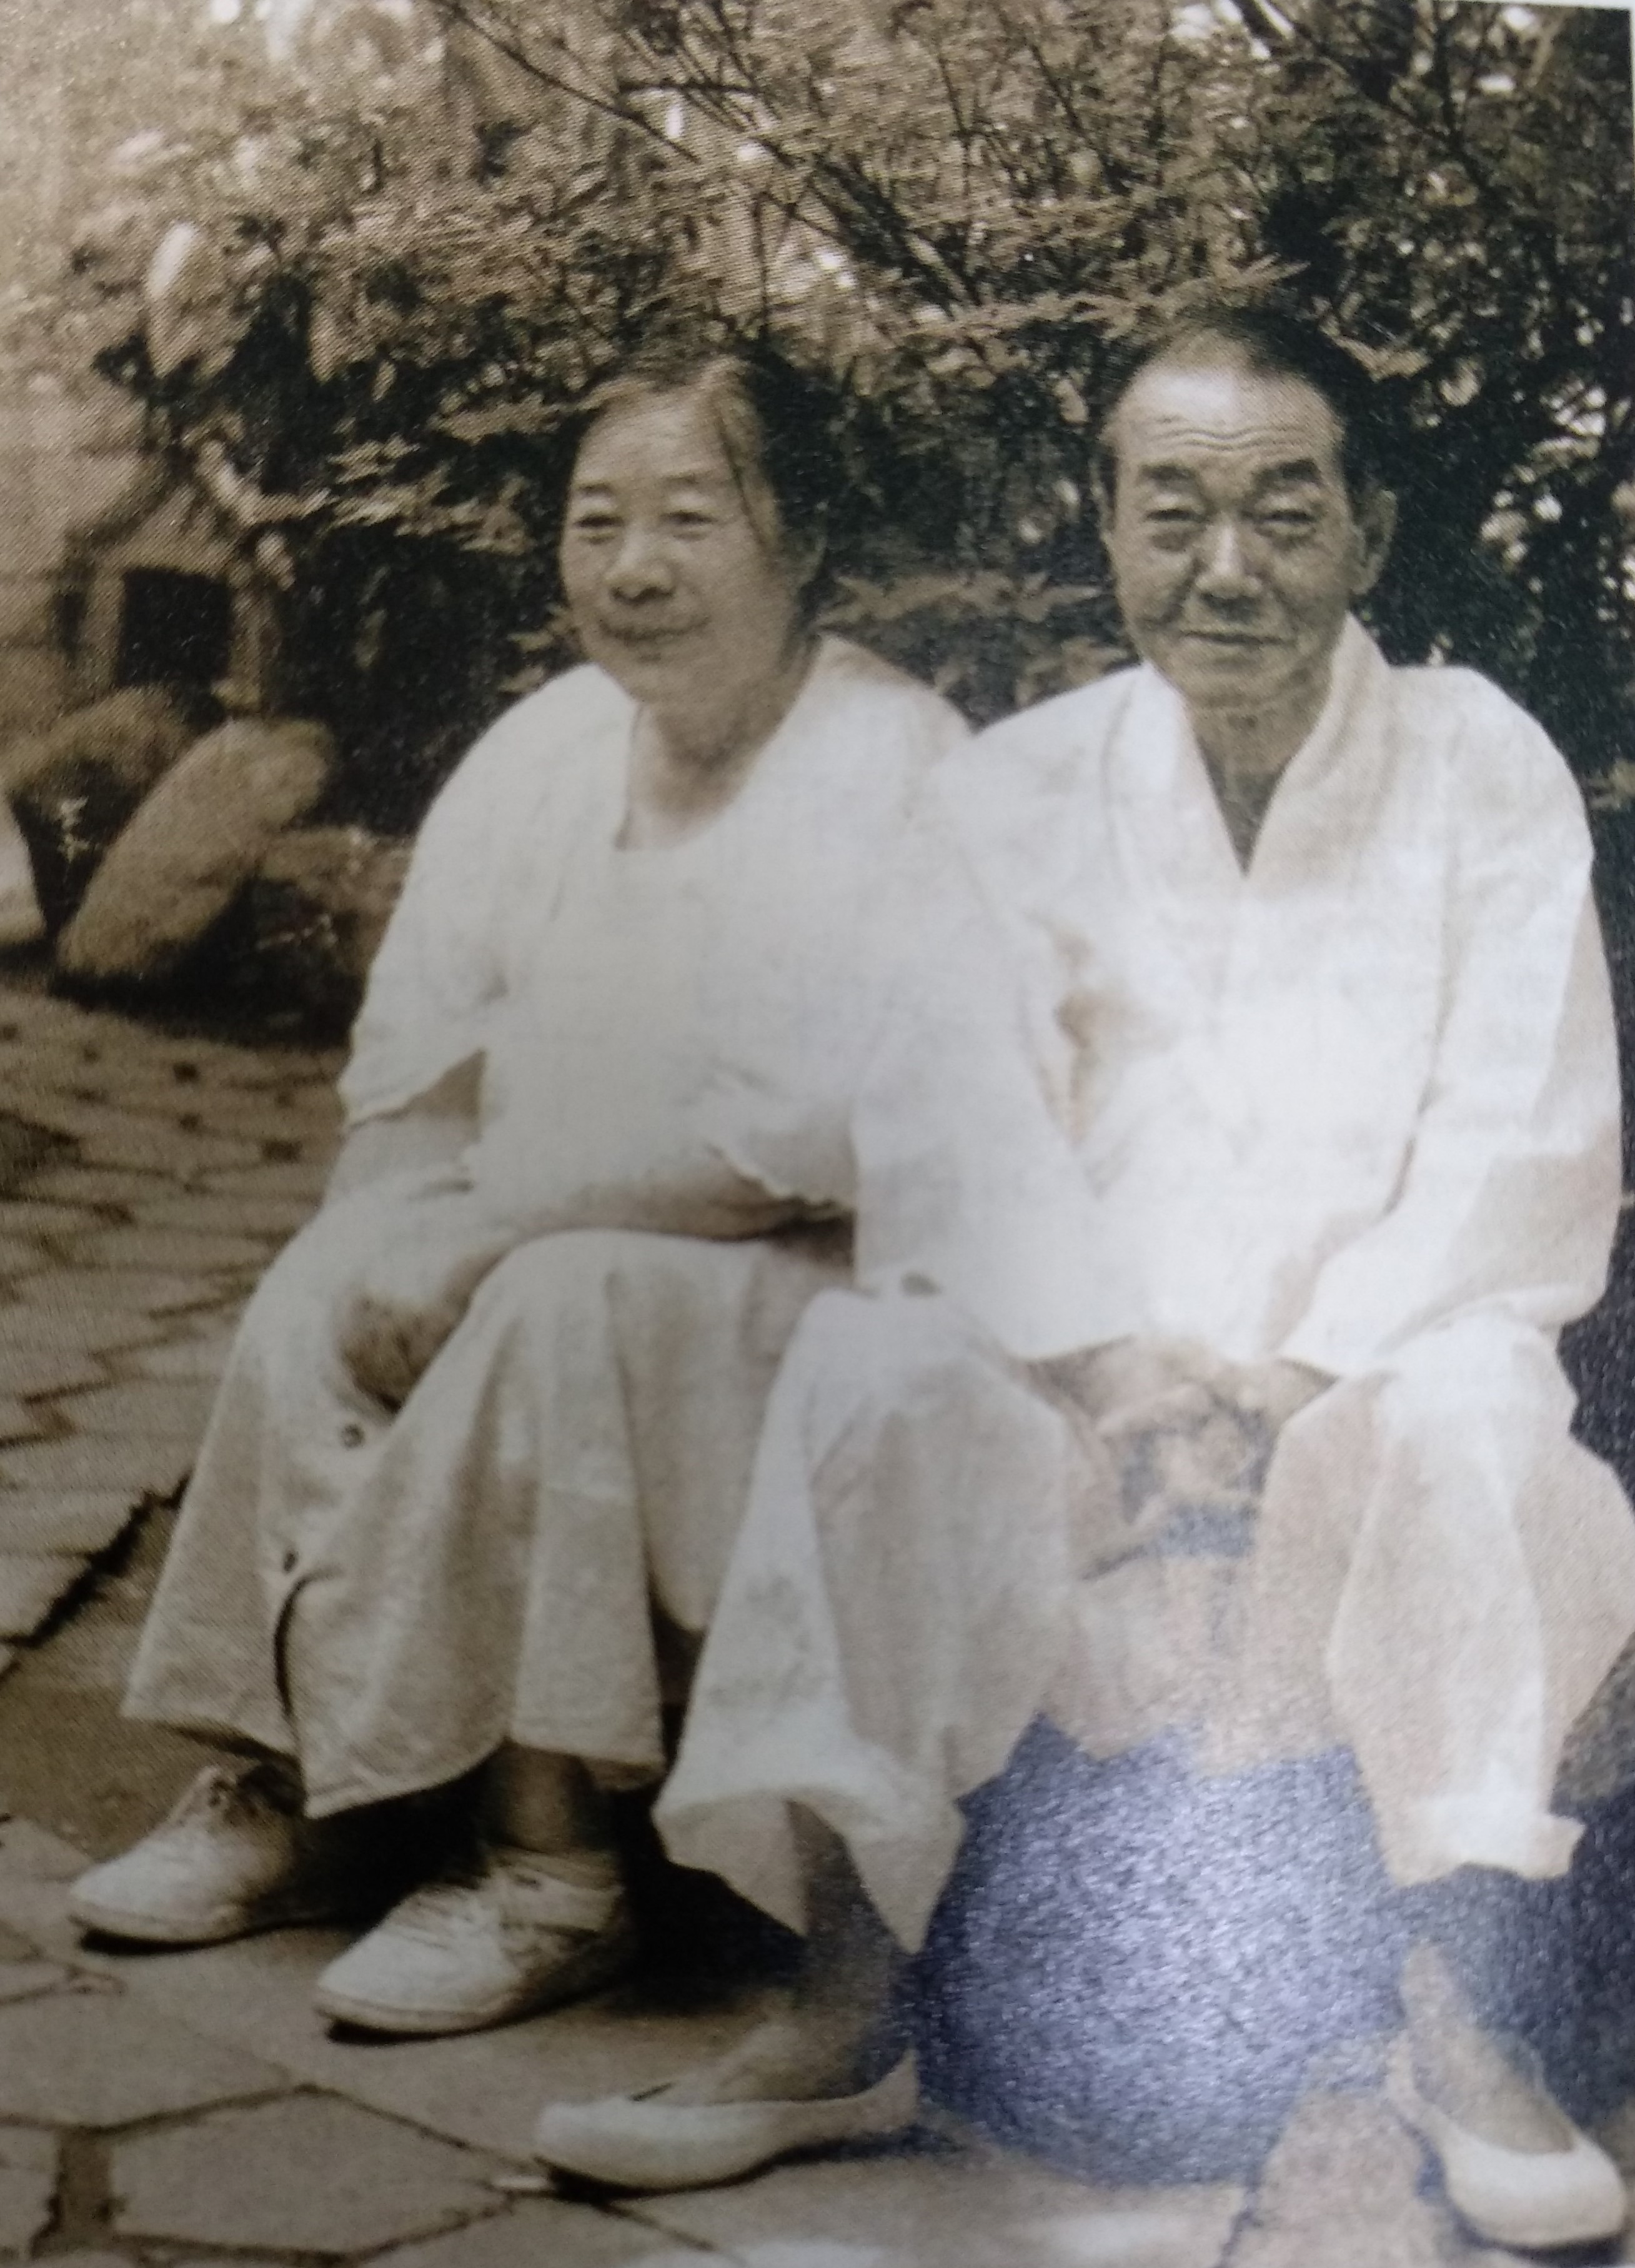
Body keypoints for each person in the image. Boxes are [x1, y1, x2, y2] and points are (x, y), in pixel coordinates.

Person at [532, 306, 1635, 2252]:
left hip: (1375, 1376)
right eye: (1174, 512)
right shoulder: (1021, 789)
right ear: (1107, 527)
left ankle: (1459, 2027)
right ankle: (840, 2017)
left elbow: (1517, 1133)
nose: (1228, 567)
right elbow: (957, 1129)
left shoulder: (1480, 765)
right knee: (875, 1375)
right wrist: (1114, 1374)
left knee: (1472, 1422)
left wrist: (1298, 1381)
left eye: (1282, 510)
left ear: (1368, 532)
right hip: (1094, 1392)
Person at [68, 339, 1094, 2046]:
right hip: (550, 1239)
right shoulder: (545, 748)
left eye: (690, 518)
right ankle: (312, 1786)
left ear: (802, 542)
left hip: (827, 1297)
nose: (633, 568)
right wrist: (390, 1244)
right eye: (595, 520)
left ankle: (550, 1868)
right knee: (334, 1271)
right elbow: (417, 1068)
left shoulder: (897, 765)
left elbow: (826, 1135)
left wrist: (492, 1231)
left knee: (556, 1301)